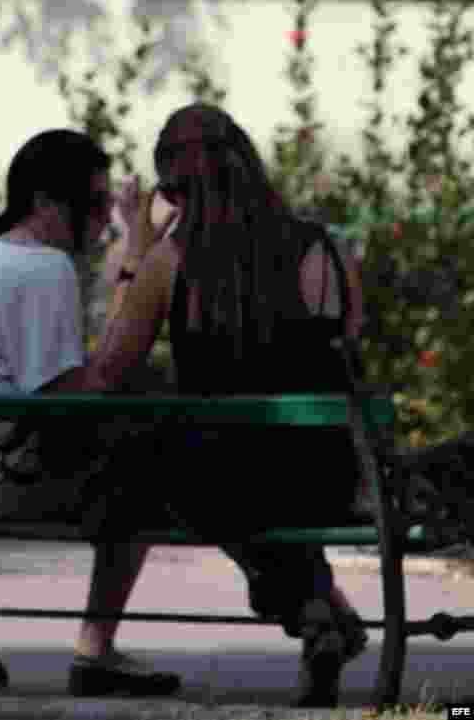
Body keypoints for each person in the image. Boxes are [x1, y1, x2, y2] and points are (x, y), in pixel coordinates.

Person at [84, 103, 369, 707]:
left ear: (173, 187)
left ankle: (313, 607)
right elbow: (348, 348)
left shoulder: (172, 259)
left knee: (149, 459)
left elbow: (110, 368)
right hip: (332, 470)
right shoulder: (328, 249)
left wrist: (137, 247)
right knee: (266, 480)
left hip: (224, 477)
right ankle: (318, 606)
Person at [0, 130, 183, 698]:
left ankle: (98, 651)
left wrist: (131, 263)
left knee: (138, 452)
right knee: (151, 478)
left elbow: (76, 382)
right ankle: (95, 652)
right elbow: (87, 388)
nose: (105, 220)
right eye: (96, 205)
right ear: (49, 206)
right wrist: (140, 263)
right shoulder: (41, 267)